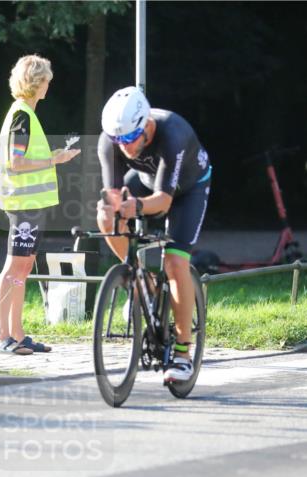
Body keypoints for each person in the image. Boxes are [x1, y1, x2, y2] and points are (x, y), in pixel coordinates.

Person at [96, 86, 212, 383]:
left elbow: (163, 201)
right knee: (106, 218)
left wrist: (134, 206)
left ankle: (183, 354)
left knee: (174, 263)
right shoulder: (111, 141)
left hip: (188, 189)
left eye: (130, 139)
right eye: (117, 140)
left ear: (147, 125)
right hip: (146, 180)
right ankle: (141, 278)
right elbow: (113, 195)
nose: (124, 146)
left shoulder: (173, 133)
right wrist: (112, 210)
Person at [0, 55, 80, 355]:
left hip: (31, 204)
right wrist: (54, 159)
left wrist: (53, 157)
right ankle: (3, 336)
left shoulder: (26, 113)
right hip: (22, 203)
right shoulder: (22, 115)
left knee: (23, 267)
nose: (49, 86)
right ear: (36, 82)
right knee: (15, 266)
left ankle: (18, 333)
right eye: (46, 81)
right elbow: (16, 163)